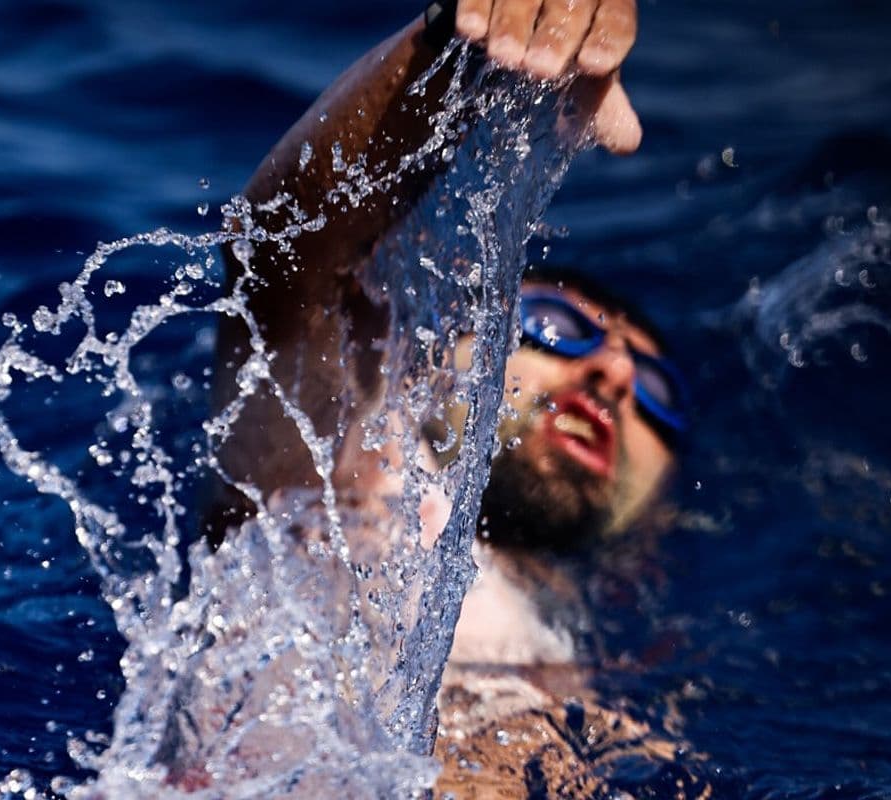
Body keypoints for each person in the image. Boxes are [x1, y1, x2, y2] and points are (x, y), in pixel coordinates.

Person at [210, 0, 697, 795]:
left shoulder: (623, 674)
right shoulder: (338, 472)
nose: (611, 377)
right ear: (433, 362)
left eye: (657, 394)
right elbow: (284, 246)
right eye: (557, 326)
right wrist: (454, 47)